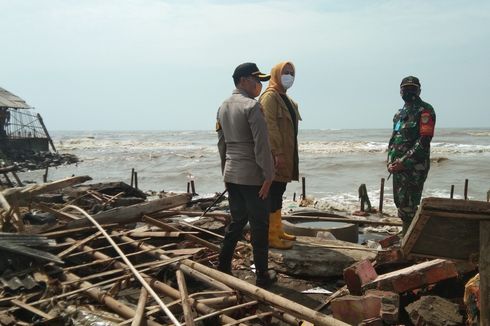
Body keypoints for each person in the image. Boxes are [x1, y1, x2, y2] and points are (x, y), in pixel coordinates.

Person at [216, 62, 276, 288]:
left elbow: (221, 144)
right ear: (242, 80)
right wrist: (269, 176)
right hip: (253, 177)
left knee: (238, 221)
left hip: (232, 174)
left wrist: (225, 171)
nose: (260, 84)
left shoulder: (222, 107)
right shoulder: (252, 107)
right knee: (260, 226)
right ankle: (262, 275)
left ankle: (223, 266)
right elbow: (261, 145)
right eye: (256, 79)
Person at [259, 61, 301, 249]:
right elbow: (269, 125)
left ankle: (277, 230)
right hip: (274, 155)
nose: (289, 76)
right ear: (276, 73)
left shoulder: (288, 100)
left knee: (279, 192)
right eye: (285, 72)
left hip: (286, 154)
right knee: (272, 193)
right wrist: (276, 151)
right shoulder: (270, 97)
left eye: (292, 73)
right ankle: (270, 235)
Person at [388, 76, 436, 235]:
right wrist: (390, 161)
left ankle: (409, 240)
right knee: (400, 202)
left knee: (409, 204)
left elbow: (424, 141)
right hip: (397, 167)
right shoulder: (399, 114)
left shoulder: (425, 111)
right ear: (400, 91)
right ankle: (406, 235)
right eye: (405, 88)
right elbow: (394, 139)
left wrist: (404, 161)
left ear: (419, 90)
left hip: (414, 167)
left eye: (412, 88)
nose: (408, 91)